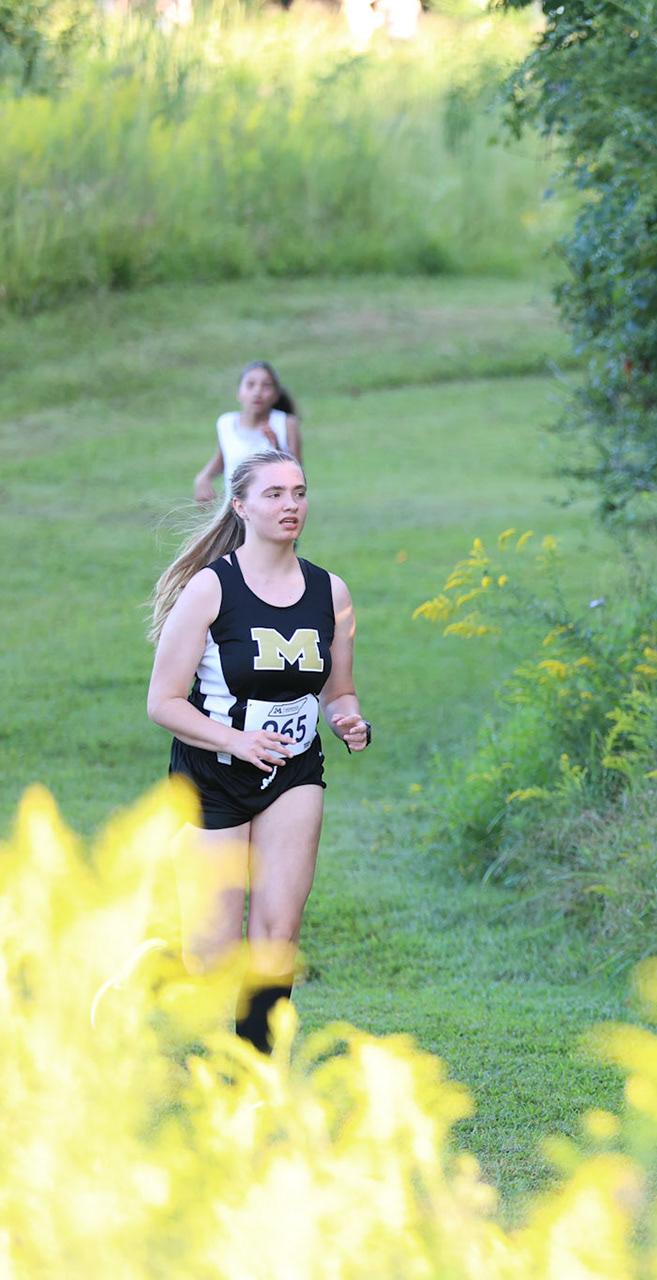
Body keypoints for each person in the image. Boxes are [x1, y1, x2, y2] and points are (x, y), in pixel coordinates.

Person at [147, 449, 370, 1054]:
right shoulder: (210, 589)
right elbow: (163, 701)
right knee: (210, 954)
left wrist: (348, 719)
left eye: (299, 492)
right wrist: (236, 740)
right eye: (274, 494)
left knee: (278, 934)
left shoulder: (331, 591)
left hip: (294, 770)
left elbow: (338, 689)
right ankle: (157, 960)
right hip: (214, 771)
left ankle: (252, 1075)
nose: (291, 504)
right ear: (241, 506)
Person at [192, 361, 302, 504]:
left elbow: (297, 475)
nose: (257, 392)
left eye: (266, 386)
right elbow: (222, 460)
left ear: (276, 395)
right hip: (235, 510)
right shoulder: (226, 423)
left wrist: (277, 450)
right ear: (239, 393)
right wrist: (203, 478)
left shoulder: (286, 423)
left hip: (272, 511)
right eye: (250, 385)